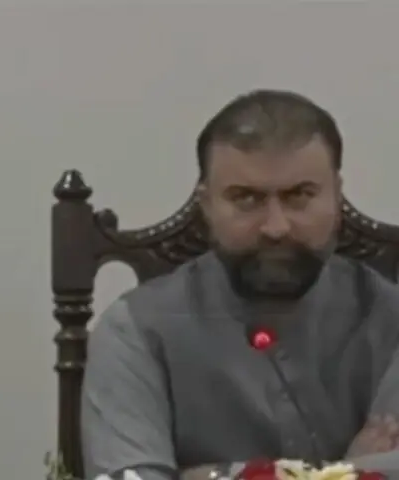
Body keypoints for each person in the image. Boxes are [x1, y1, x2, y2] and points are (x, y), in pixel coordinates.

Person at [81, 90, 399, 480]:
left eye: (300, 196)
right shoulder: (135, 331)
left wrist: (204, 475)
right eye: (246, 199)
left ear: (336, 195)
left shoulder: (391, 318)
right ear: (206, 204)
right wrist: (346, 472)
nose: (276, 227)